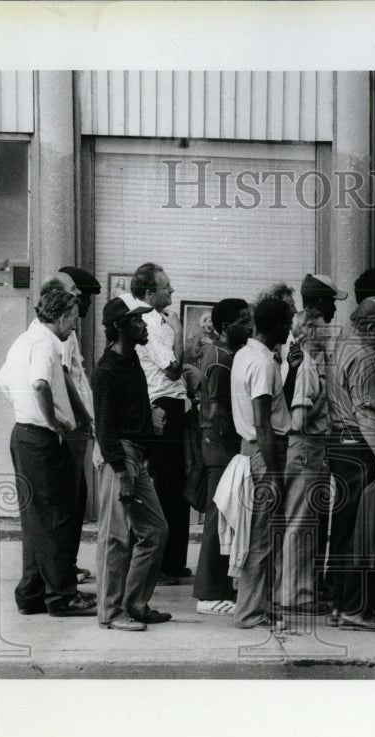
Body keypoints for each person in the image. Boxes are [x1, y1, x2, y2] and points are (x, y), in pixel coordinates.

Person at [0, 288, 94, 618]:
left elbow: (3, 381)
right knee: (56, 518)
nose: (74, 329)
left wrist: (28, 412)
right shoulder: (46, 344)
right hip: (41, 439)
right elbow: (40, 384)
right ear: (63, 317)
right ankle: (62, 596)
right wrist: (54, 422)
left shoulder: (24, 339)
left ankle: (31, 592)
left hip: (23, 434)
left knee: (36, 519)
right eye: (74, 321)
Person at [92, 293, 172, 631]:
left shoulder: (132, 361)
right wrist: (122, 472)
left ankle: (135, 603)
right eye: (137, 320)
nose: (144, 325)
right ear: (120, 327)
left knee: (155, 530)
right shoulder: (106, 370)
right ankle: (111, 612)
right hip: (118, 458)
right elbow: (105, 428)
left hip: (135, 454)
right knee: (115, 537)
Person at [325, 297, 375, 631]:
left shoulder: (342, 348)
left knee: (343, 530)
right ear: (371, 327)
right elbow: (366, 413)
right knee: (363, 532)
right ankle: (356, 608)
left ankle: (340, 605)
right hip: (358, 448)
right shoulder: (365, 358)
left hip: (340, 446)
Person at [229, 297, 293, 629]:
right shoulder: (263, 364)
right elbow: (263, 423)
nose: (292, 325)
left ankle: (257, 604)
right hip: (265, 450)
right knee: (263, 536)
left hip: (252, 448)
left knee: (261, 533)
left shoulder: (245, 354)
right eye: (290, 319)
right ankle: (250, 611)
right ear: (280, 326)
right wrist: (273, 471)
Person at [130, 262, 191, 584]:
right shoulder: (150, 324)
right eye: (166, 286)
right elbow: (172, 368)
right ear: (150, 292)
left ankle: (173, 560)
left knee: (175, 483)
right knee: (166, 484)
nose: (172, 290)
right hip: (163, 404)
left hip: (176, 404)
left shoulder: (159, 321)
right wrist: (180, 332)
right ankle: (163, 563)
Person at [193, 298, 250, 616]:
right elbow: (214, 410)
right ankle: (208, 593)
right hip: (220, 447)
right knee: (218, 518)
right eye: (244, 319)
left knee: (227, 517)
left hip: (227, 447)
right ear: (227, 327)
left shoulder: (231, 356)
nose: (250, 324)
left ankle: (221, 587)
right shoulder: (218, 359)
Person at [277, 309, 333, 615]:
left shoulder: (312, 365)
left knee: (301, 522)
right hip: (306, 446)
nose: (328, 334)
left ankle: (296, 591)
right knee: (300, 523)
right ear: (309, 333)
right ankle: (295, 595)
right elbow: (297, 418)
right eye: (324, 329)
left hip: (308, 449)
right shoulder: (309, 368)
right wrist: (325, 405)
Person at [58, 266, 102, 587]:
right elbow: (61, 377)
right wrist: (82, 417)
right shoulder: (62, 334)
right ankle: (63, 568)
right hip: (71, 428)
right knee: (70, 500)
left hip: (79, 426)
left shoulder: (70, 333)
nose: (86, 306)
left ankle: (68, 565)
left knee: (78, 497)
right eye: (85, 298)